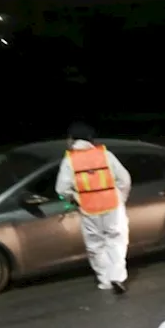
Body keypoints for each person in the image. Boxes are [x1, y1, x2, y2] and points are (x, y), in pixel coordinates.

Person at [54, 123, 132, 294]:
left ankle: (105, 280)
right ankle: (117, 277)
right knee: (116, 241)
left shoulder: (69, 160)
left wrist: (75, 198)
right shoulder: (106, 155)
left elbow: (61, 189)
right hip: (113, 206)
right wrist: (120, 199)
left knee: (96, 245)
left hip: (89, 209)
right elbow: (124, 180)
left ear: (72, 140)